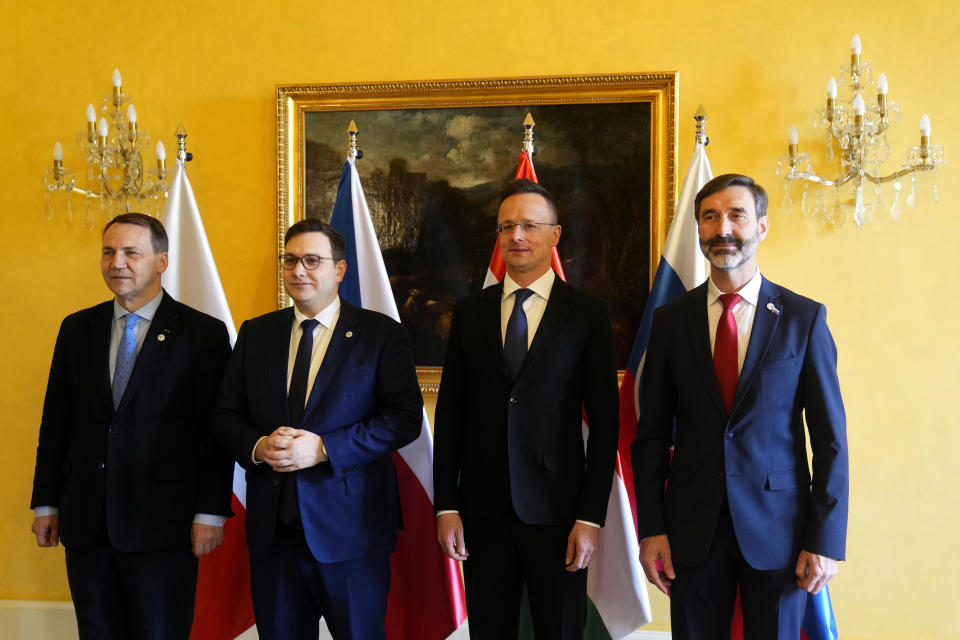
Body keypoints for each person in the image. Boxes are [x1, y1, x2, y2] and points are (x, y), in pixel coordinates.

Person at [632, 174, 848, 639]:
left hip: (781, 535)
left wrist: (825, 539)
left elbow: (830, 441)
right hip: (691, 532)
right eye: (710, 217)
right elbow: (651, 437)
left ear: (761, 227)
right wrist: (651, 528)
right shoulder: (671, 322)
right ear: (699, 230)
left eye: (736, 215)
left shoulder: (803, 319)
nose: (722, 227)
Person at [212, 219, 422, 640]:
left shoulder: (380, 334)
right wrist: (257, 446)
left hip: (352, 534)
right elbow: (224, 414)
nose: (298, 270)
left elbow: (404, 419)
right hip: (274, 538)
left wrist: (325, 448)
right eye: (290, 261)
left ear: (339, 270)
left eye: (312, 260)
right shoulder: (257, 334)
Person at [29, 212, 234, 639]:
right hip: (87, 522)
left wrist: (211, 511)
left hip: (166, 525)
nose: (117, 262)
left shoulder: (203, 334)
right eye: (108, 252)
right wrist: (46, 503)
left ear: (161, 262)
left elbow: (213, 433)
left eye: (131, 252)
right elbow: (56, 422)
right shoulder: (76, 328)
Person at [433, 179, 620, 639]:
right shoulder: (470, 312)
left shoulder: (587, 315)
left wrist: (590, 517)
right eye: (507, 226)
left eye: (529, 226)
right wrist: (446, 506)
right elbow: (452, 414)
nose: (517, 236)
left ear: (554, 235)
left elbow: (605, 423)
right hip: (482, 513)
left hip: (560, 515)